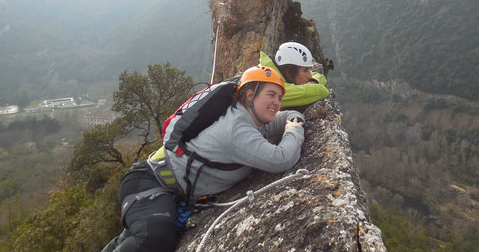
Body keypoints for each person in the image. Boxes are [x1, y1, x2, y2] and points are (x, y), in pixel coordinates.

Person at [101, 66, 305, 252]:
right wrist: (295, 129)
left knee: (136, 237)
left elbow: (288, 116)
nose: (277, 103)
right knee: (154, 239)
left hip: (164, 187)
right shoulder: (237, 130)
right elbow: (282, 159)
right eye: (271, 95)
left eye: (279, 97)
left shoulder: (250, 119)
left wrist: (294, 120)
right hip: (150, 182)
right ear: (250, 95)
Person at [259, 41, 329, 108]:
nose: (310, 76)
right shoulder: (272, 89)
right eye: (305, 70)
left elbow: (319, 76)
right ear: (289, 72)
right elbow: (322, 91)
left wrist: (314, 81)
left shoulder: (272, 73)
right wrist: (313, 86)